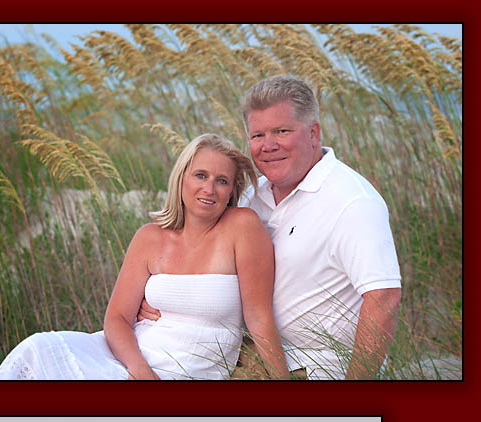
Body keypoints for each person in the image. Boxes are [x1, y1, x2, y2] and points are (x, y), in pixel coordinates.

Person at [139, 77, 403, 379]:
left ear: (313, 132)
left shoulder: (352, 201)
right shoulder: (251, 196)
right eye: (258, 135)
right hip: (250, 352)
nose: (268, 146)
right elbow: (200, 256)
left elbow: (384, 298)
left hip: (317, 366)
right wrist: (159, 300)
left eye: (282, 131)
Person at [0, 134, 289, 379]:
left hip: (183, 372)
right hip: (129, 362)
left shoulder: (242, 227)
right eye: (201, 175)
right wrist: (142, 374)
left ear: (231, 190)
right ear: (181, 178)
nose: (209, 188)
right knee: (37, 349)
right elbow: (117, 318)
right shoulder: (150, 237)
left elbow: (259, 317)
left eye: (222, 181)